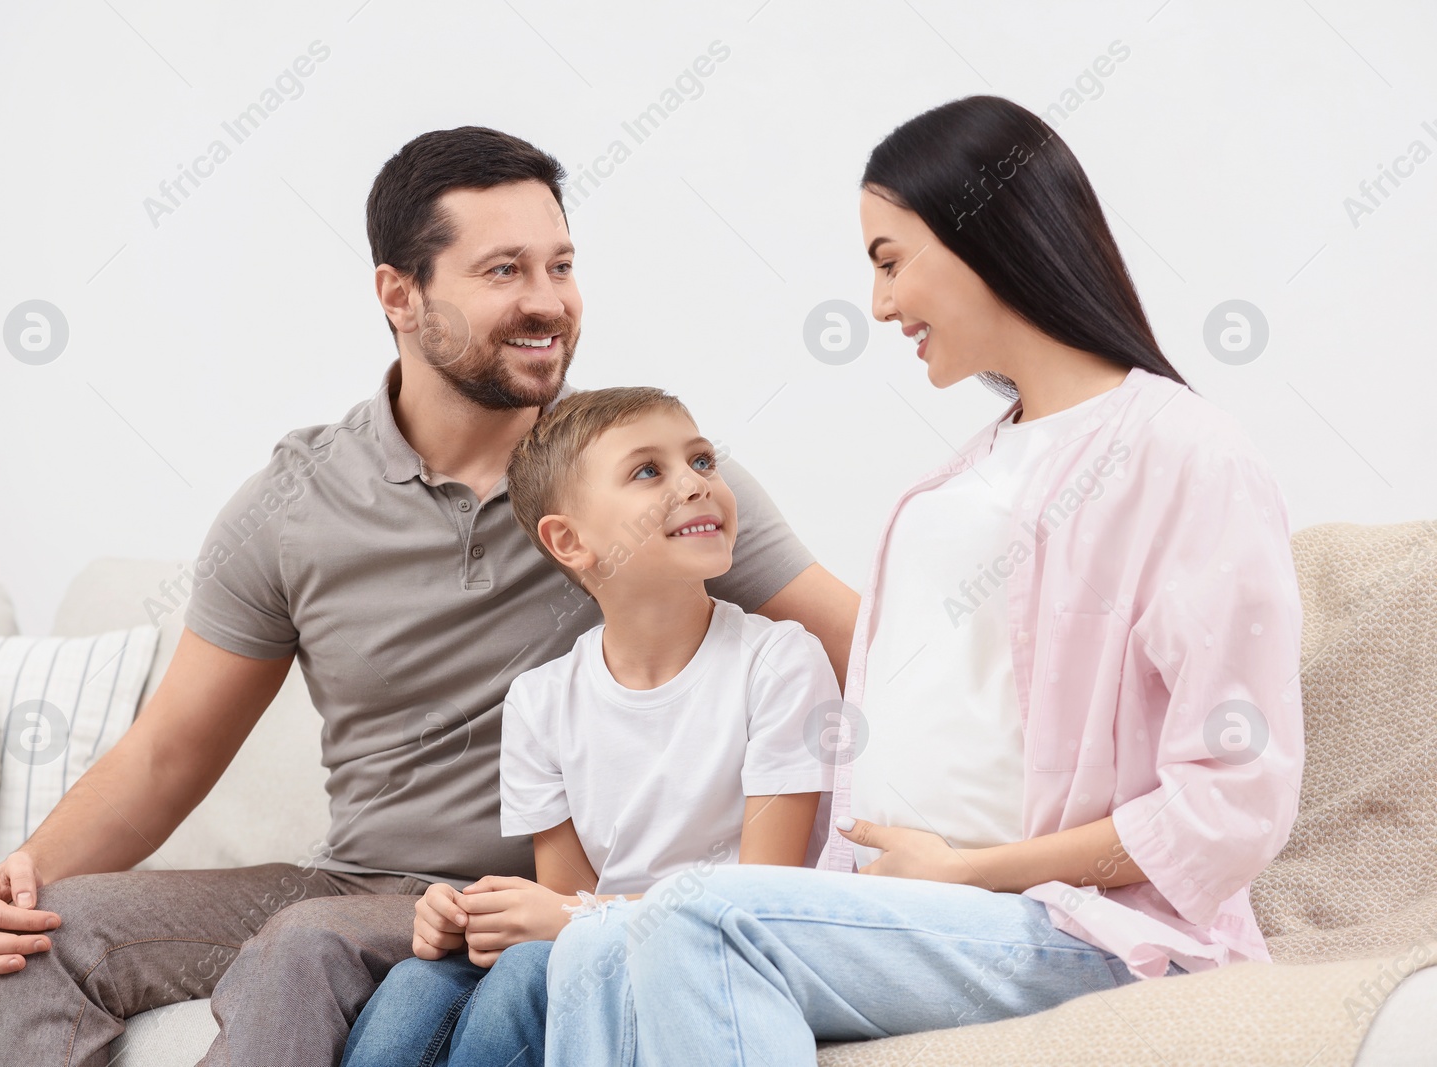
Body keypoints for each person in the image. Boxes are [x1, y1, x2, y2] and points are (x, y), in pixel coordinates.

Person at [0, 126, 859, 1066]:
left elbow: (860, 647)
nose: (547, 302)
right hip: (353, 885)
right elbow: (169, 751)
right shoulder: (294, 504)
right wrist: (20, 882)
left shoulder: (643, 484)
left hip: (525, 896)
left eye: (561, 265)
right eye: (504, 270)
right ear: (399, 294)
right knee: (41, 938)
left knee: (306, 943)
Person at [542, 94, 1306, 1066]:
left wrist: (974, 869)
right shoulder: (957, 478)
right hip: (914, 905)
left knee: (699, 912)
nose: (879, 304)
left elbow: (1232, 798)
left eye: (890, 259)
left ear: (986, 233)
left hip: (1084, 927)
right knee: (592, 945)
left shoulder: (1184, 454)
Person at [339, 386, 839, 1067]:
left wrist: (574, 918)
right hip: (598, 940)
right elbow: (563, 894)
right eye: (648, 471)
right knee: (411, 986)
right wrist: (469, 917)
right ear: (569, 541)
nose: (695, 484)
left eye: (701, 461)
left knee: (522, 978)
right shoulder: (541, 701)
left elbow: (761, 899)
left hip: (717, 953)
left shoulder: (779, 662)